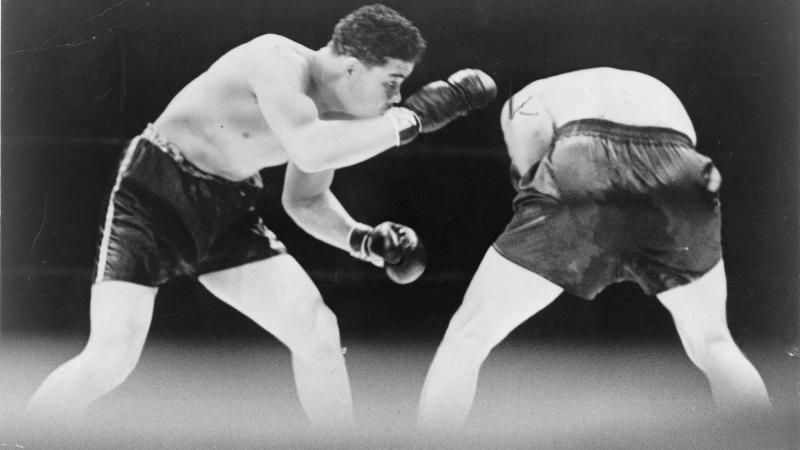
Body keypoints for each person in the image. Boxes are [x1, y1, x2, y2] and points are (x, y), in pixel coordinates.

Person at [24, 3, 496, 432]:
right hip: (154, 199)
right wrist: (413, 120)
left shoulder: (340, 121)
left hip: (228, 211)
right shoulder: (275, 59)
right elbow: (309, 145)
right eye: (392, 82)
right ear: (352, 67)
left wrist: (362, 240)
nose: (397, 97)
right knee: (111, 357)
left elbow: (306, 201)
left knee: (316, 330)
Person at [416, 67, 772, 430]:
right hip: (681, 170)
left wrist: (535, 185)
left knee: (467, 336)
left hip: (584, 159)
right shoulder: (648, 88)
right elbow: (670, 156)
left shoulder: (524, 96)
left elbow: (531, 148)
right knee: (714, 342)